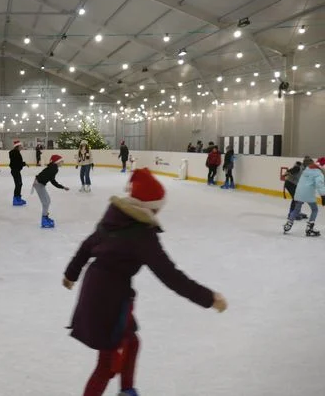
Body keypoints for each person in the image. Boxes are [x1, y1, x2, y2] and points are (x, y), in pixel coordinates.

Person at [62, 168, 228, 396]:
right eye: (158, 206)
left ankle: (127, 391)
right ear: (149, 206)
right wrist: (209, 298)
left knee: (131, 342)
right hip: (109, 299)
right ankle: (124, 390)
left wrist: (71, 274)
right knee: (107, 364)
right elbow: (170, 275)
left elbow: (87, 245)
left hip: (97, 289)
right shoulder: (142, 235)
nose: (160, 210)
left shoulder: (116, 218)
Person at [284, 157, 325, 237]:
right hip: (308, 193)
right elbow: (319, 184)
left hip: (299, 192)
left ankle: (289, 224)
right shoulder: (318, 172)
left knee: (296, 209)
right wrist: (323, 195)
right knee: (314, 210)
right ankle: (309, 228)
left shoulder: (306, 170)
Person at [33, 154, 69, 228]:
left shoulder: (53, 168)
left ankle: (45, 216)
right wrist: (62, 187)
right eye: (61, 161)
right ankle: (44, 220)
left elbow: (51, 179)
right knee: (46, 202)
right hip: (38, 184)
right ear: (57, 162)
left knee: (47, 201)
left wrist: (62, 187)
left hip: (40, 184)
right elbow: (52, 181)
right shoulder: (54, 168)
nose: (63, 162)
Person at [9, 140, 28, 206]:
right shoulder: (15, 153)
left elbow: (17, 162)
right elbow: (16, 163)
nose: (21, 146)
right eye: (20, 145)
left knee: (19, 184)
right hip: (15, 171)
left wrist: (23, 164)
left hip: (16, 170)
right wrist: (24, 164)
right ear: (17, 146)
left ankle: (18, 198)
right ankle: (15, 200)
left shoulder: (16, 152)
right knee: (18, 184)